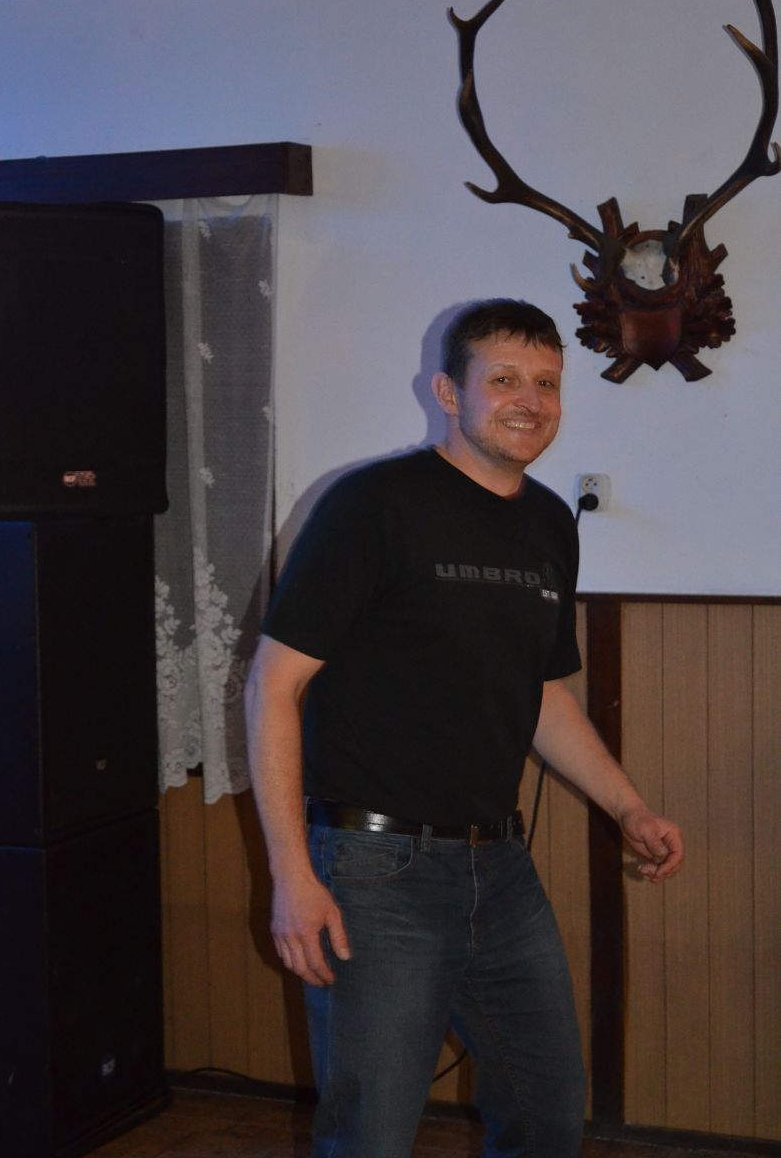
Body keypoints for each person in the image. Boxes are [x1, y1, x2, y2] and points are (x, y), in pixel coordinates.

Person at [244, 298, 683, 1158]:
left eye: (547, 384)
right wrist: (291, 873)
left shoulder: (549, 523)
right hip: (373, 872)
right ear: (448, 392)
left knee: (547, 1113)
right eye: (504, 379)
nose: (530, 401)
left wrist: (628, 808)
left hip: (500, 870)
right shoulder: (370, 505)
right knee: (370, 1135)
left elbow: (544, 697)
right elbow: (272, 686)